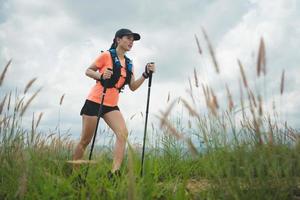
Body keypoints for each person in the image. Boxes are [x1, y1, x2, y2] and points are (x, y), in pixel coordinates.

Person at [72, 28, 156, 177]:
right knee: (85, 141)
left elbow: (133, 87)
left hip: (111, 105)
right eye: (128, 38)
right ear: (118, 39)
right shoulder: (106, 55)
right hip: (95, 101)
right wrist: (100, 75)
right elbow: (88, 71)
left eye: (133, 40)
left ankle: (114, 172)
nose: (131, 42)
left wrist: (145, 75)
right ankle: (75, 174)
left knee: (122, 133)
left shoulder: (129, 64)